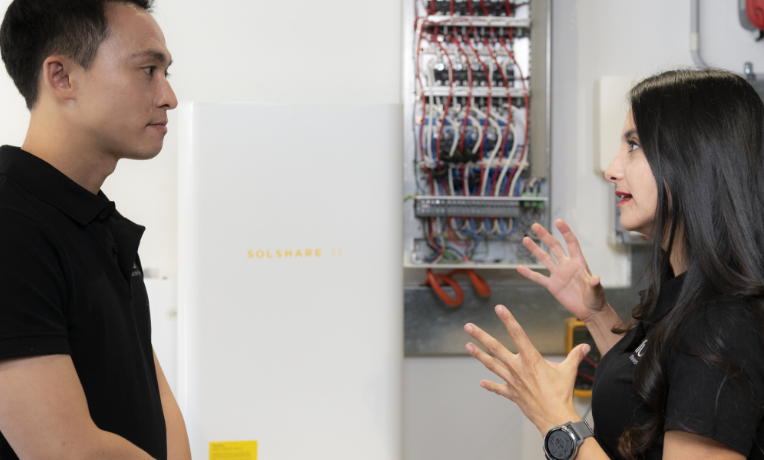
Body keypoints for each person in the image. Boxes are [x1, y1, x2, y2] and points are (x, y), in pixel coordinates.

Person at [464, 68, 764, 460]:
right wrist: (597, 315)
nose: (611, 169)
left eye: (634, 145)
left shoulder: (720, 325)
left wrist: (556, 420)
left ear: (696, 159)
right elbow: (652, 387)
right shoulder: (687, 291)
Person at [0, 1, 189, 459]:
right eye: (148, 70)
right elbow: (67, 451)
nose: (168, 96)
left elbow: (154, 395)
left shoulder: (97, 221)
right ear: (62, 76)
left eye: (166, 72)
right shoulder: (11, 225)